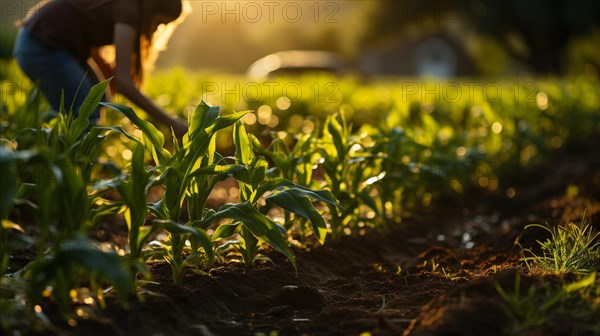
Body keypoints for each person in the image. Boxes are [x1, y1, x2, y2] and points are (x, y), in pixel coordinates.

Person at [13, 0, 188, 137]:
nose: (157, 29)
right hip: (41, 46)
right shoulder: (129, 11)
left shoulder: (126, 6)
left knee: (100, 98)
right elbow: (124, 83)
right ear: (152, 10)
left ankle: (59, 150)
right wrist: (172, 123)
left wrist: (108, 79)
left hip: (54, 44)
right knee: (85, 114)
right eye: (160, 22)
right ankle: (69, 169)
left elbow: (89, 33)